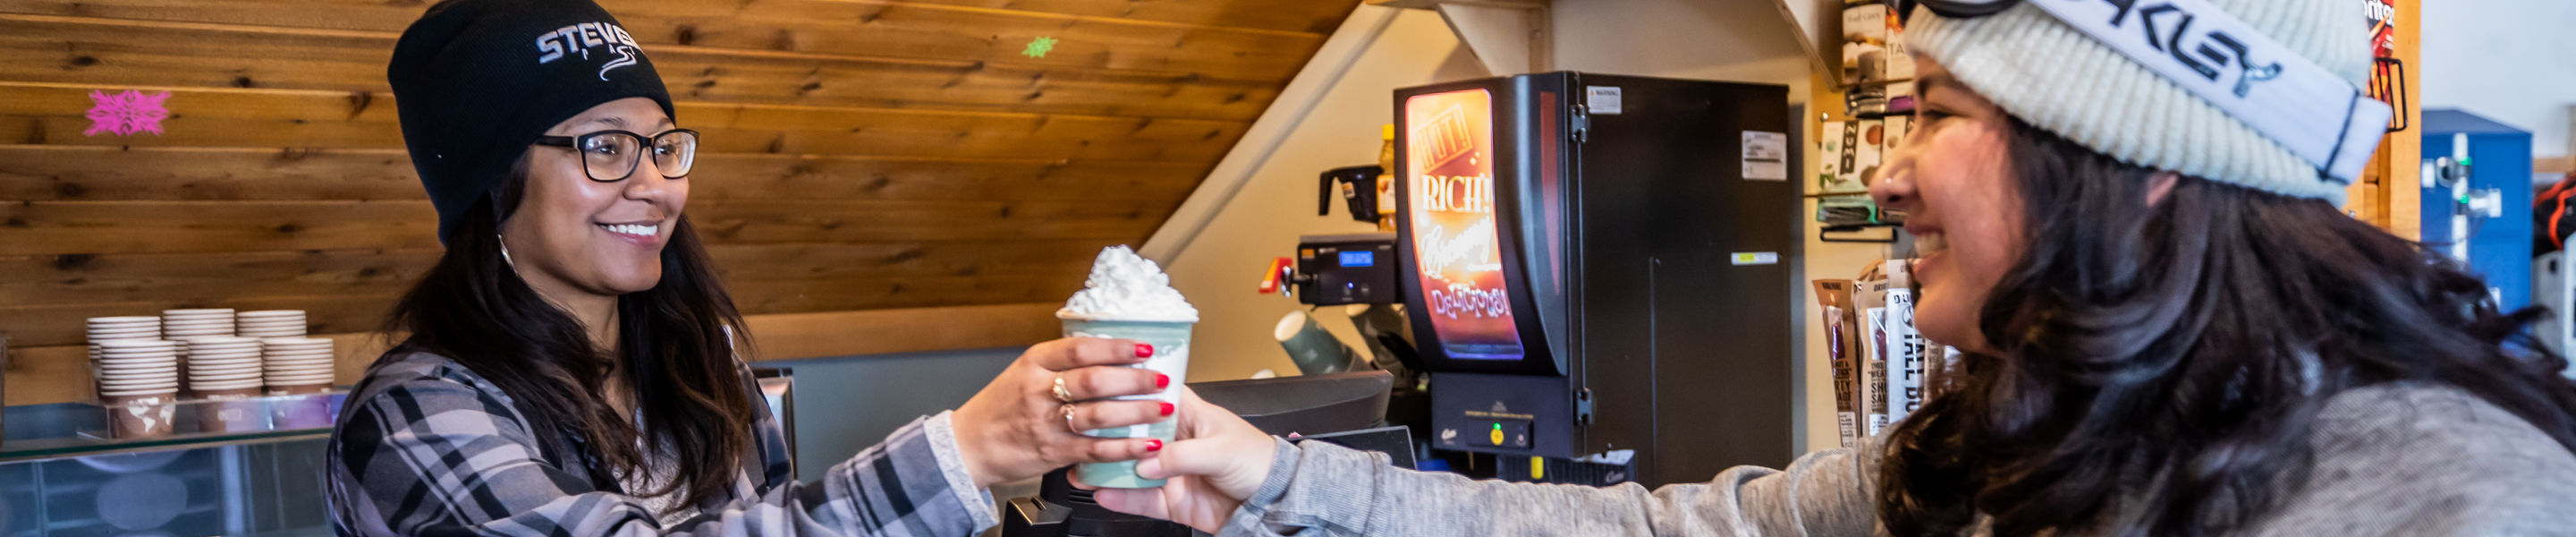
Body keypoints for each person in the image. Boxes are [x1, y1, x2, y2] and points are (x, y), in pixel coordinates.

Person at [1100, 0, 2576, 534]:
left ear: (2133, 157)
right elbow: (1673, 531)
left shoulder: (2451, 498)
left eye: (1936, 114)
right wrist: (1269, 475)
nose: (1886, 170)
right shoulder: (2022, 434)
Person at [326, 0, 1174, 534]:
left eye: (663, 147)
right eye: (605, 148)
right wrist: (958, 453)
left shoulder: (699, 358)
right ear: (492, 184)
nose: (655, 186)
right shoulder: (410, 418)